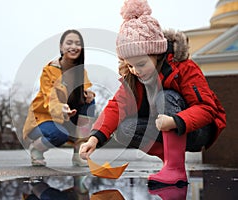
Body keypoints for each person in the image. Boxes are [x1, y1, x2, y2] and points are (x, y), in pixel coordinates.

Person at [80, 0, 226, 186]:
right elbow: (116, 106)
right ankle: (171, 161)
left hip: (197, 130)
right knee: (125, 128)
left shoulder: (184, 68)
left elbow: (207, 108)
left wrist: (176, 120)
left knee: (166, 96)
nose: (136, 70)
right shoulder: (134, 78)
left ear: (157, 54)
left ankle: (175, 169)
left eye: (140, 64)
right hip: (166, 128)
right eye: (130, 65)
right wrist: (94, 138)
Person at [23, 29, 95, 167]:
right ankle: (36, 148)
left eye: (77, 43)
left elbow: (85, 90)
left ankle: (78, 153)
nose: (73, 47)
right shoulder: (49, 70)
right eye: (69, 43)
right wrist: (61, 108)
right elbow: (49, 98)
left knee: (91, 102)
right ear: (61, 47)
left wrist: (89, 93)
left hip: (67, 118)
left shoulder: (81, 72)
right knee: (59, 134)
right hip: (44, 118)